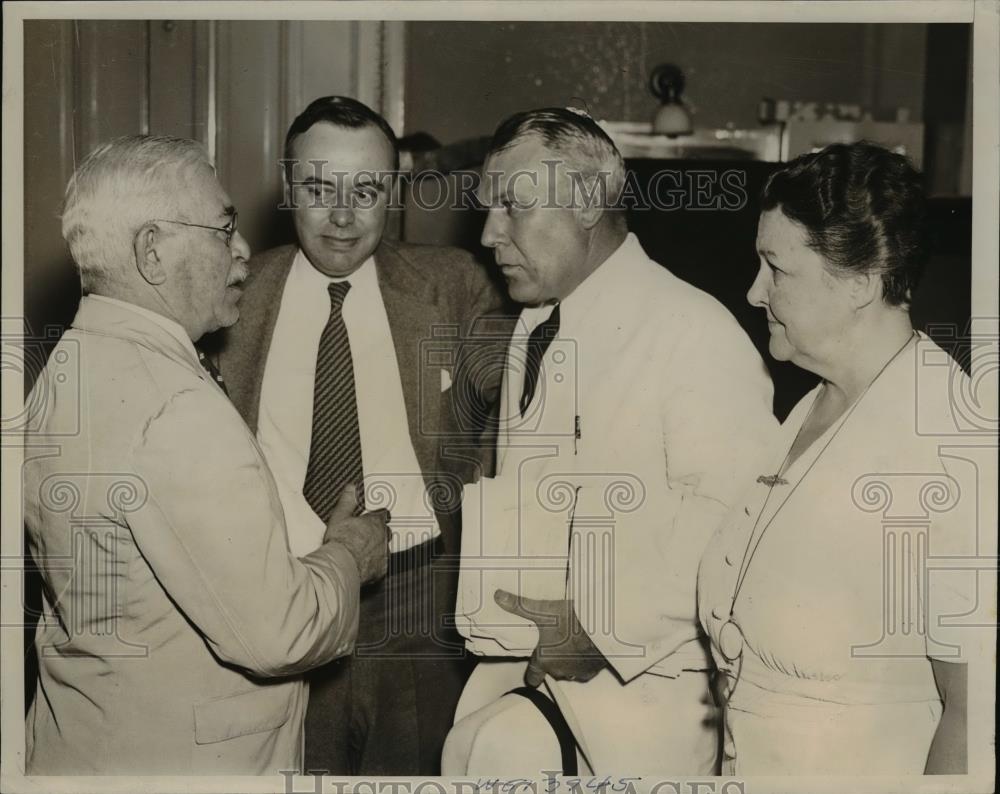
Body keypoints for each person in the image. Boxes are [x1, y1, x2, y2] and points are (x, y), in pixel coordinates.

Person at [22, 135, 390, 775]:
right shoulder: (176, 406)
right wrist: (349, 554)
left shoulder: (65, 367)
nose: (242, 249)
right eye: (223, 229)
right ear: (152, 251)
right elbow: (281, 633)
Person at [443, 108, 778, 775]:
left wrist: (601, 627)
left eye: (513, 207)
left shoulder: (693, 331)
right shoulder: (533, 328)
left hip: (641, 708)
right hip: (522, 686)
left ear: (590, 202)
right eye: (488, 208)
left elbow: (739, 526)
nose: (488, 233)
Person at [216, 96, 507, 776]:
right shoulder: (232, 297)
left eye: (367, 190)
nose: (343, 217)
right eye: (320, 190)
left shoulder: (453, 286)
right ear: (288, 188)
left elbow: (525, 411)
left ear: (394, 192)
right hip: (281, 596)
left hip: (418, 604)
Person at [697, 142, 976, 775]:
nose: (754, 292)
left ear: (858, 283)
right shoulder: (811, 405)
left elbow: (974, 716)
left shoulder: (947, 436)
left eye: (776, 269)